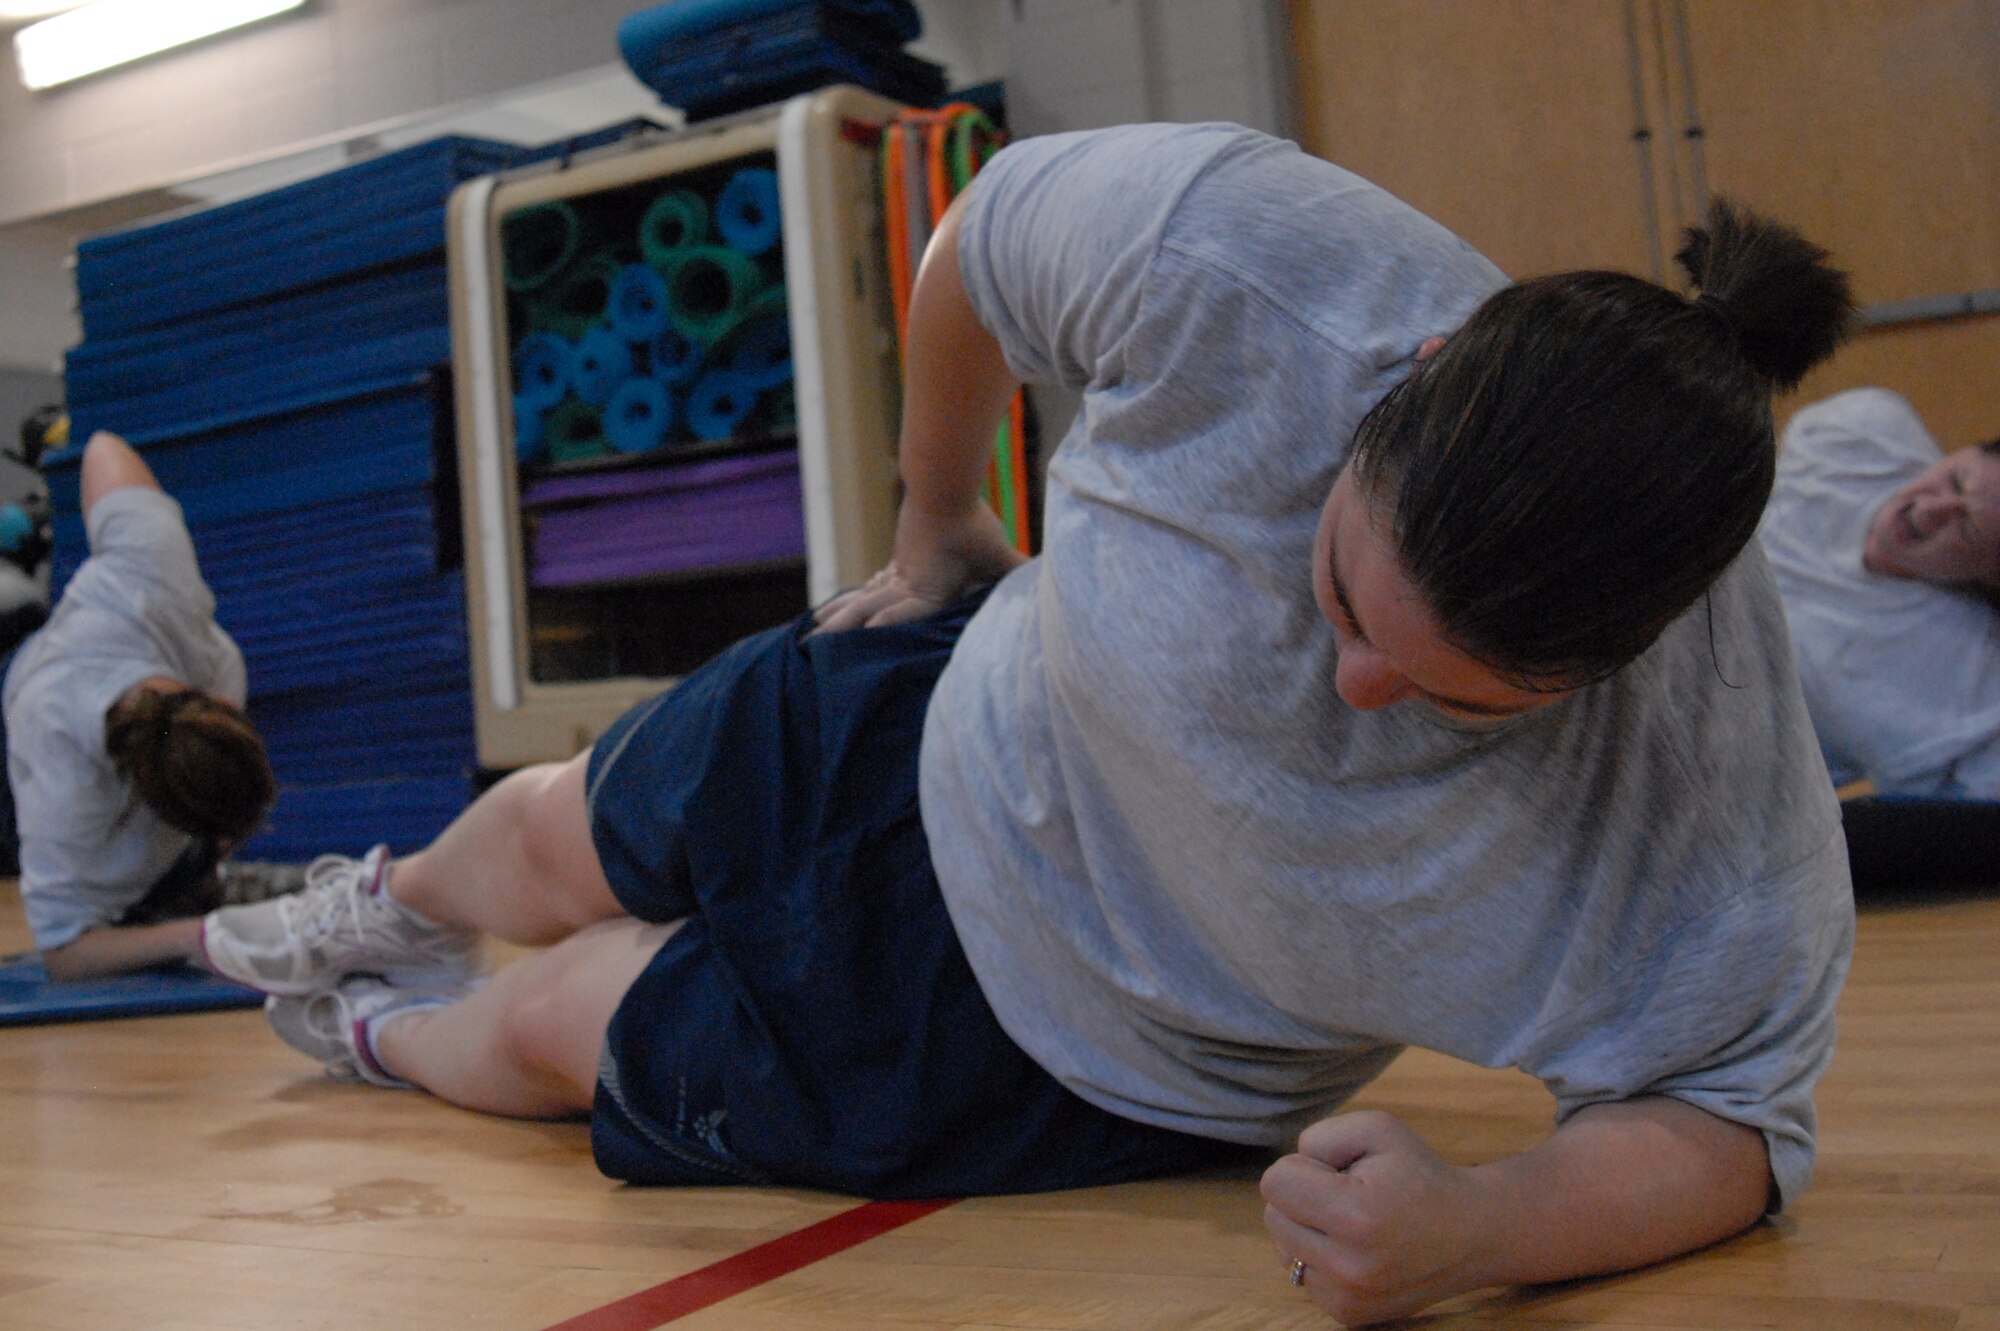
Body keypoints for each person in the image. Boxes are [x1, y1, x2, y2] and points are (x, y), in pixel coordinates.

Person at [201, 124, 1857, 1327]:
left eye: (1451, 701)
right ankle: (393, 903)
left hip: (1074, 1042)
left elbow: (1728, 1126)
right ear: (1401, 375)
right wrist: (936, 517)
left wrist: (1482, 1224)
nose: (1352, 693)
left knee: (576, 1020)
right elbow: (982, 235)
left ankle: (382, 1040)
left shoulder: (1719, 827)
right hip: (952, 699)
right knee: (560, 823)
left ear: (1617, 667)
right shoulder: (1255, 262)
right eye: (1344, 598)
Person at [3, 429, 299, 981]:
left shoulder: (152, 575)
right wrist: (199, 938)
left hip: (100, 665)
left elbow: (100, 447)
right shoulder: (67, 786)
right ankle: (182, 899)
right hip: (32, 706)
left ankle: (205, 884)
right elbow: (65, 954)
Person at [1757, 387, 2000, 798]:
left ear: (1991, 575)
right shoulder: (1861, 434)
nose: (1931, 509)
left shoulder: (1967, 692)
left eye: (1966, 526)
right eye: (1956, 481)